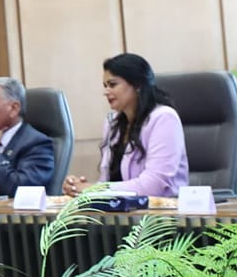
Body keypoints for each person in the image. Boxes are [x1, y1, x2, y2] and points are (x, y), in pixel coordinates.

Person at [64, 53, 190, 198]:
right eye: (105, 86)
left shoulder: (164, 118)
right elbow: (108, 181)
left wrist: (95, 189)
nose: (106, 92)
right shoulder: (112, 123)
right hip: (122, 210)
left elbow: (154, 184)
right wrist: (78, 188)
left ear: (137, 85)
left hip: (159, 209)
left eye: (112, 85)